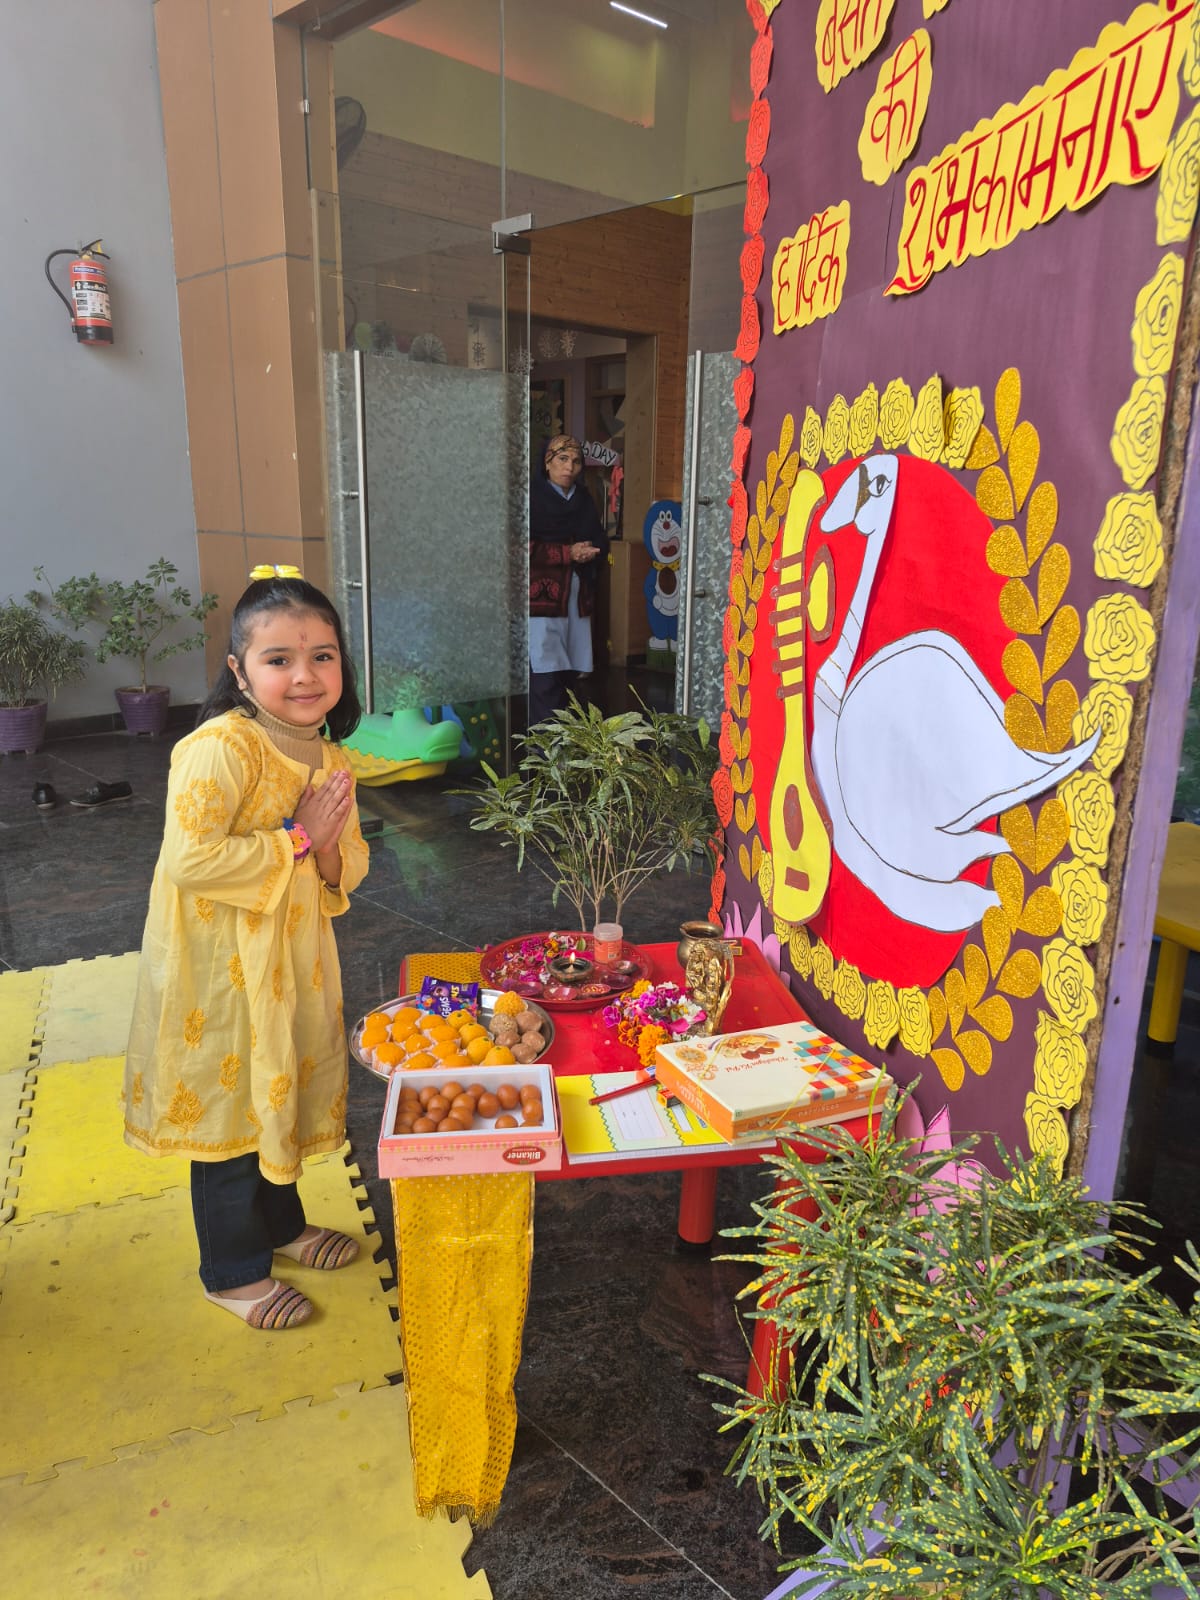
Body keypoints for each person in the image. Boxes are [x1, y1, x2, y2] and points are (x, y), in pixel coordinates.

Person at [122, 574, 371, 1330]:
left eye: (322, 655)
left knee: (279, 1094)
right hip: (221, 970)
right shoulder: (219, 749)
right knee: (232, 1117)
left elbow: (346, 863)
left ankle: (282, 1227)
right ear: (238, 670)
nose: (304, 675)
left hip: (294, 959)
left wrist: (323, 846)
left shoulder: (332, 756)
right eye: (278, 659)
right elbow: (191, 860)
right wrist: (298, 837)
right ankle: (231, 1273)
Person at [528, 433, 609, 725]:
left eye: (575, 461)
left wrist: (591, 551)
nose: (569, 467)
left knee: (569, 675)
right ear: (547, 463)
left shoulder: (583, 499)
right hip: (542, 602)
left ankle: (565, 741)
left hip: (576, 599)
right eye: (562, 459)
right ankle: (545, 745)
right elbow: (519, 548)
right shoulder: (531, 498)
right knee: (545, 671)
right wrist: (567, 553)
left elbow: (600, 539)